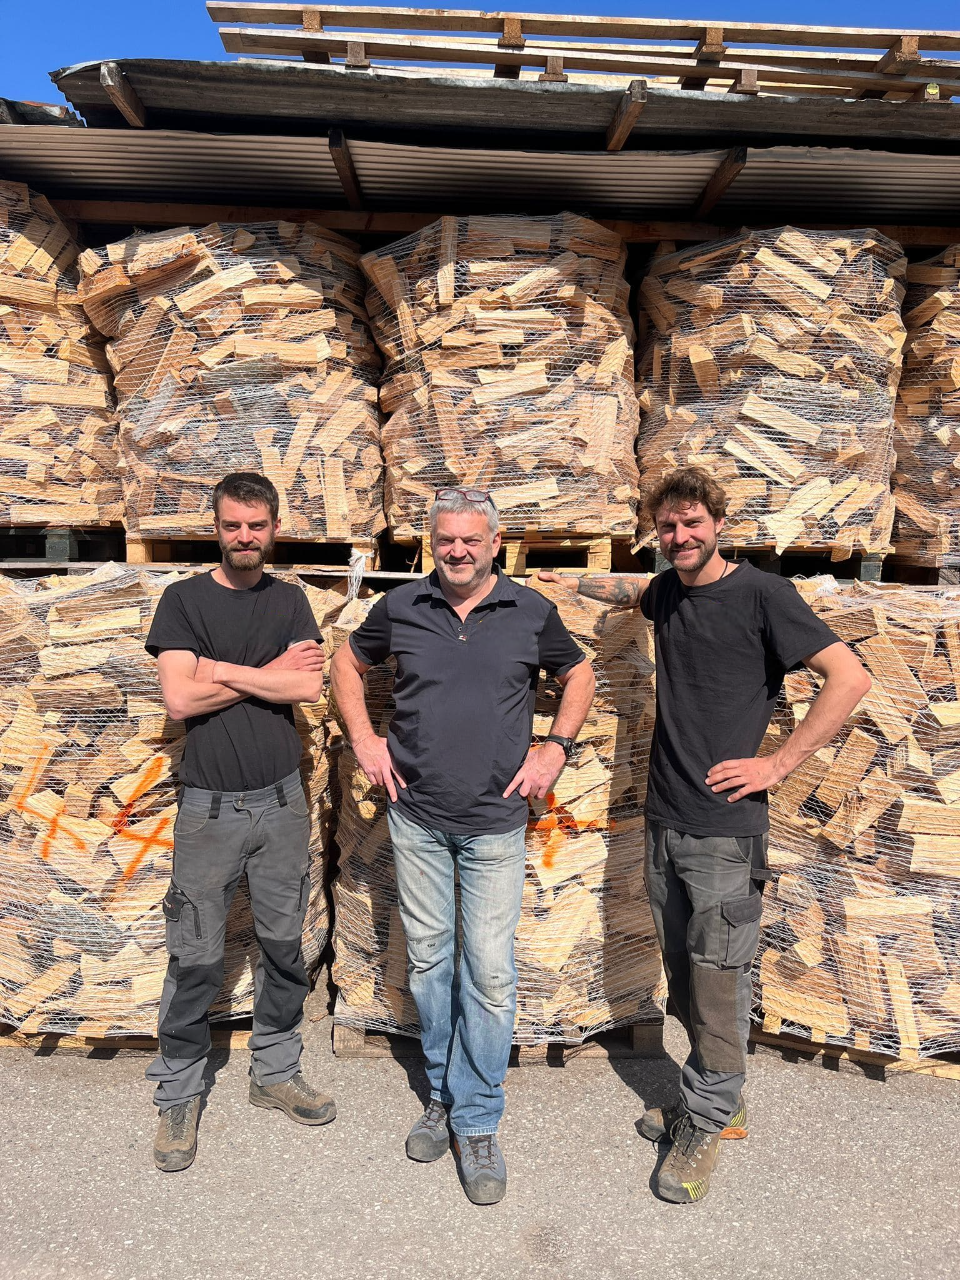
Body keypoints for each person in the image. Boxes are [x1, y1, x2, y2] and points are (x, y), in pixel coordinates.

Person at [540, 465, 871, 1204]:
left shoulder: (763, 595)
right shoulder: (668, 591)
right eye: (667, 526)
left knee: (719, 979)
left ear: (719, 523)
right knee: (686, 977)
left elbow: (850, 678)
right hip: (666, 819)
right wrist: (556, 582)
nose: (680, 535)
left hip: (725, 830)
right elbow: (627, 591)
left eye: (692, 522)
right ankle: (720, 1095)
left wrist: (777, 764)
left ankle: (706, 1121)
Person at [329, 489, 595, 1205]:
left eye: (471, 540)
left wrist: (555, 748)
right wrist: (364, 739)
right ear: (431, 541)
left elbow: (580, 674)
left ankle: (476, 1120)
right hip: (416, 817)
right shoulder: (402, 607)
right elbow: (346, 666)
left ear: (495, 543)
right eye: (446, 539)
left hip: (495, 823)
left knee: (489, 973)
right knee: (429, 961)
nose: (457, 551)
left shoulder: (529, 611)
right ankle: (445, 1095)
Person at [146, 471, 334, 1173]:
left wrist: (217, 671)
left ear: (274, 528)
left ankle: (275, 1070)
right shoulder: (183, 600)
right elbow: (179, 700)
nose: (244, 537)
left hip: (282, 804)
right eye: (232, 526)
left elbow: (307, 684)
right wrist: (264, 670)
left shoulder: (289, 601)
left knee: (283, 948)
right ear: (217, 528)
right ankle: (178, 1093)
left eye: (256, 526)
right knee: (195, 955)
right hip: (210, 810)